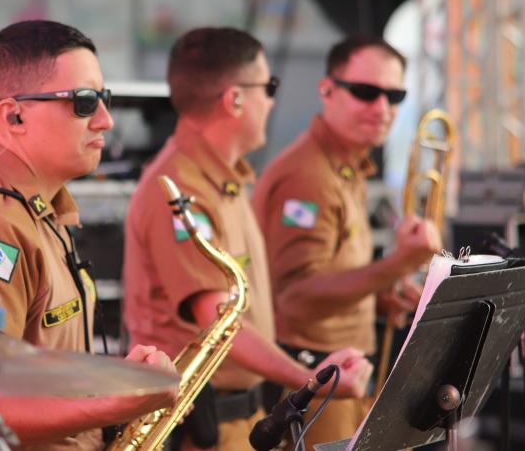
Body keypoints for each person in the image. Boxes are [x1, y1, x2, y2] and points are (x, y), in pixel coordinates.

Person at [0, 20, 176, 451]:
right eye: (84, 102)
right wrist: (116, 403)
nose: (105, 121)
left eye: (105, 99)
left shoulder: (38, 211)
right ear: (13, 115)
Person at [123, 27, 373, 451]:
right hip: (203, 430)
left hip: (241, 419)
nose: (272, 101)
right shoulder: (181, 187)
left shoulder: (224, 180)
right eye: (268, 87)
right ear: (235, 98)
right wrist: (310, 380)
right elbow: (220, 324)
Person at [251, 34, 442, 448]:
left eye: (395, 96)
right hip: (314, 381)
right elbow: (294, 297)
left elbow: (326, 274)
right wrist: (398, 264)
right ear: (327, 90)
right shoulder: (309, 175)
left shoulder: (343, 166)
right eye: (365, 92)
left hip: (340, 376)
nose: (382, 108)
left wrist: (377, 297)